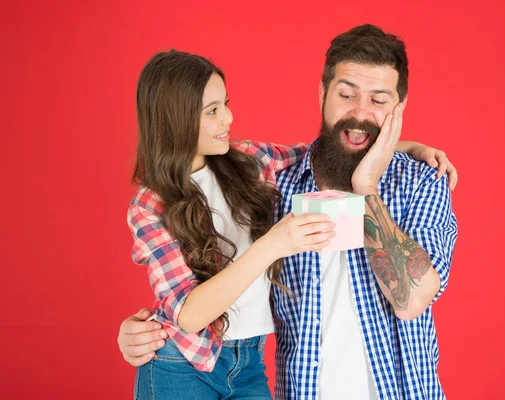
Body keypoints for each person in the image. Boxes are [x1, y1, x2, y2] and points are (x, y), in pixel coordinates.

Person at [123, 42, 457, 400]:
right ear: (322, 94)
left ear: (398, 109)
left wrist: (389, 162)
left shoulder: (422, 181)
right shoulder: (271, 183)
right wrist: (138, 331)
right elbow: (185, 310)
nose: (228, 119)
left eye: (378, 100)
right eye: (347, 94)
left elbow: (411, 300)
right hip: (192, 360)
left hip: (254, 366)